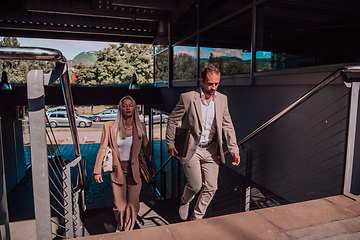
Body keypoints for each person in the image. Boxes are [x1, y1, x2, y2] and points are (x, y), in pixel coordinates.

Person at [166, 64, 241, 221]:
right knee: (195, 185)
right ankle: (184, 201)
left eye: (216, 83)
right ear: (201, 81)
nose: (213, 87)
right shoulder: (187, 98)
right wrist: (170, 143)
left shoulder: (222, 100)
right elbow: (173, 120)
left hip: (212, 149)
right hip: (192, 148)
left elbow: (227, 125)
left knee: (211, 187)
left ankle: (197, 217)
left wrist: (234, 148)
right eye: (210, 83)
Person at [93, 95, 156, 232]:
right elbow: (103, 147)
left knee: (133, 206)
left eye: (130, 105)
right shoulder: (110, 126)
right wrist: (97, 170)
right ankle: (121, 227)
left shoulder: (141, 127)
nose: (128, 108)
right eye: (124, 105)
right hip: (117, 170)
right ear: (120, 108)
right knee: (120, 207)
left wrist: (152, 165)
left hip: (135, 171)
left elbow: (146, 149)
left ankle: (126, 232)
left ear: (134, 108)